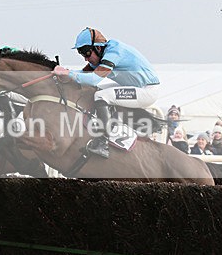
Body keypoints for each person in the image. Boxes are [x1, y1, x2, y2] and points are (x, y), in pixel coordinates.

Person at [53, 27, 160, 158]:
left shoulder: (114, 52)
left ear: (98, 48)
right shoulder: (101, 55)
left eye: (86, 52)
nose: (86, 58)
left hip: (147, 91)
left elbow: (93, 79)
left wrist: (68, 73)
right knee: (95, 92)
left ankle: (103, 141)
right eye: (81, 53)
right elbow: (83, 75)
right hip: (133, 86)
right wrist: (66, 71)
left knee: (101, 95)